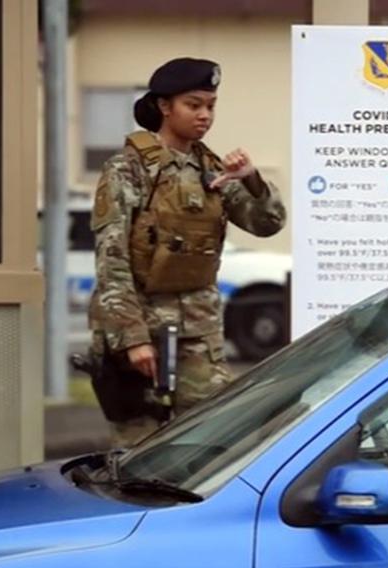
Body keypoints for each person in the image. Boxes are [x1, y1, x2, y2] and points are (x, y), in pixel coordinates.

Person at [89, 57, 286, 447]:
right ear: (165, 106)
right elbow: (111, 262)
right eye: (193, 105)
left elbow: (268, 224)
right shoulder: (127, 170)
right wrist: (133, 338)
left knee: (216, 440)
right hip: (140, 326)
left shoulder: (211, 170)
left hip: (197, 329)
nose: (204, 116)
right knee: (138, 446)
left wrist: (252, 180)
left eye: (210, 106)